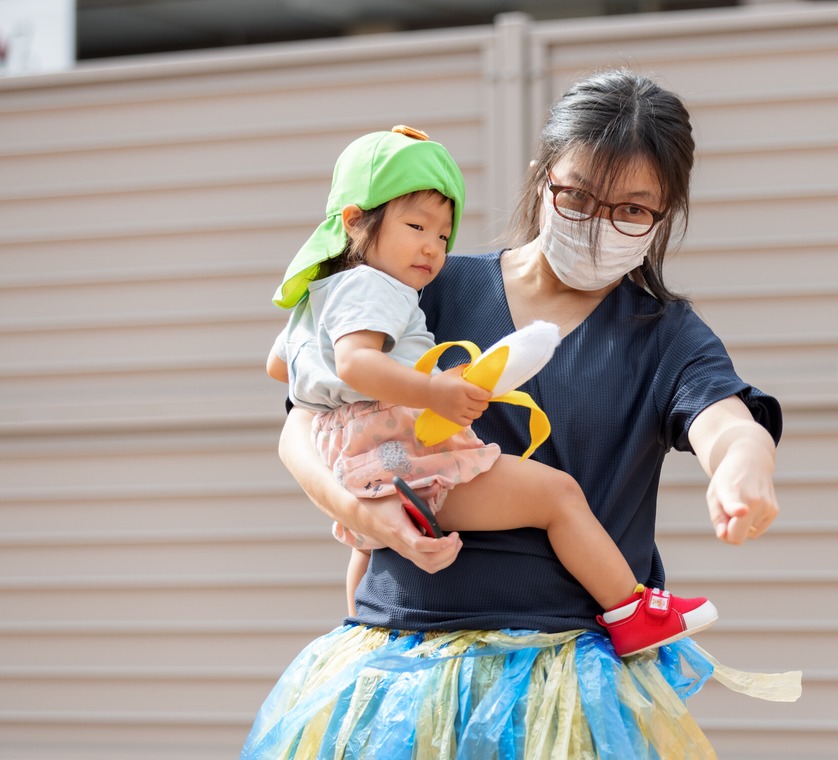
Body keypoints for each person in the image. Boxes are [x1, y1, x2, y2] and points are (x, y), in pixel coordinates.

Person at [243, 71, 800, 760]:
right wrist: (358, 513)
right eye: (578, 196)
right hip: (399, 672)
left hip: (572, 687)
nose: (598, 222)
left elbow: (724, 418)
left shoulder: (664, 334)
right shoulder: (427, 283)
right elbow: (302, 421)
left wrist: (744, 466)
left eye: (631, 209)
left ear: (665, 214)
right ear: (542, 178)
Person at [266, 126, 719, 657]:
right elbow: (355, 363)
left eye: (442, 236)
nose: (431, 249)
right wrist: (432, 392)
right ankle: (631, 610)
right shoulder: (380, 286)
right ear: (353, 220)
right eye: (416, 226)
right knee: (557, 495)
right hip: (398, 446)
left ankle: (360, 637)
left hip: (350, 454)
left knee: (367, 560)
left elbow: (281, 366)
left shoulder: (322, 291)